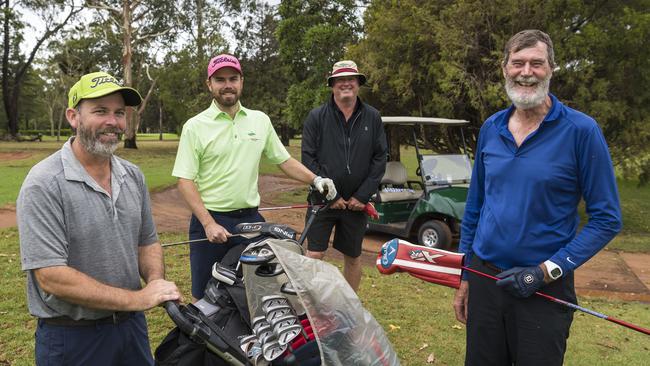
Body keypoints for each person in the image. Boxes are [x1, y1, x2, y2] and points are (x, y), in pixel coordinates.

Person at [453, 30, 622, 365]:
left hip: (544, 288)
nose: (526, 71)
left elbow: (607, 218)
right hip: (486, 281)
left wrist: (547, 271)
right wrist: (465, 275)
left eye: (536, 63)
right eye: (518, 63)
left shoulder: (581, 131)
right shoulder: (491, 128)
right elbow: (475, 207)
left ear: (552, 69)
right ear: (505, 69)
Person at [17, 71, 182, 366]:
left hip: (131, 330)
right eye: (100, 111)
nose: (113, 121)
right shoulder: (44, 183)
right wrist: (138, 299)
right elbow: (51, 276)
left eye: (119, 113)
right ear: (73, 116)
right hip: (73, 338)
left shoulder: (133, 176)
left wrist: (155, 283)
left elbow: (147, 242)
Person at [172, 54, 336, 300]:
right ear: (209, 84)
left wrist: (316, 180)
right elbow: (185, 181)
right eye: (220, 79)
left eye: (233, 78)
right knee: (204, 295)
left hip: (250, 221)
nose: (227, 84)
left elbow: (284, 160)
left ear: (242, 81)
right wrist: (207, 223)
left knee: (255, 292)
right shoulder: (195, 126)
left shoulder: (259, 120)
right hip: (209, 222)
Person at [301, 60, 388, 291]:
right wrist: (331, 194)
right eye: (341, 80)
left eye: (351, 79)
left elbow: (380, 159)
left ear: (358, 83)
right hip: (322, 200)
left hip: (356, 204)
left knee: (353, 256)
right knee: (314, 253)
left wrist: (362, 196)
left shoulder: (372, 117)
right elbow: (308, 159)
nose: (346, 84)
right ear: (332, 85)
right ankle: (311, 305)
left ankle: (350, 308)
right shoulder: (316, 117)